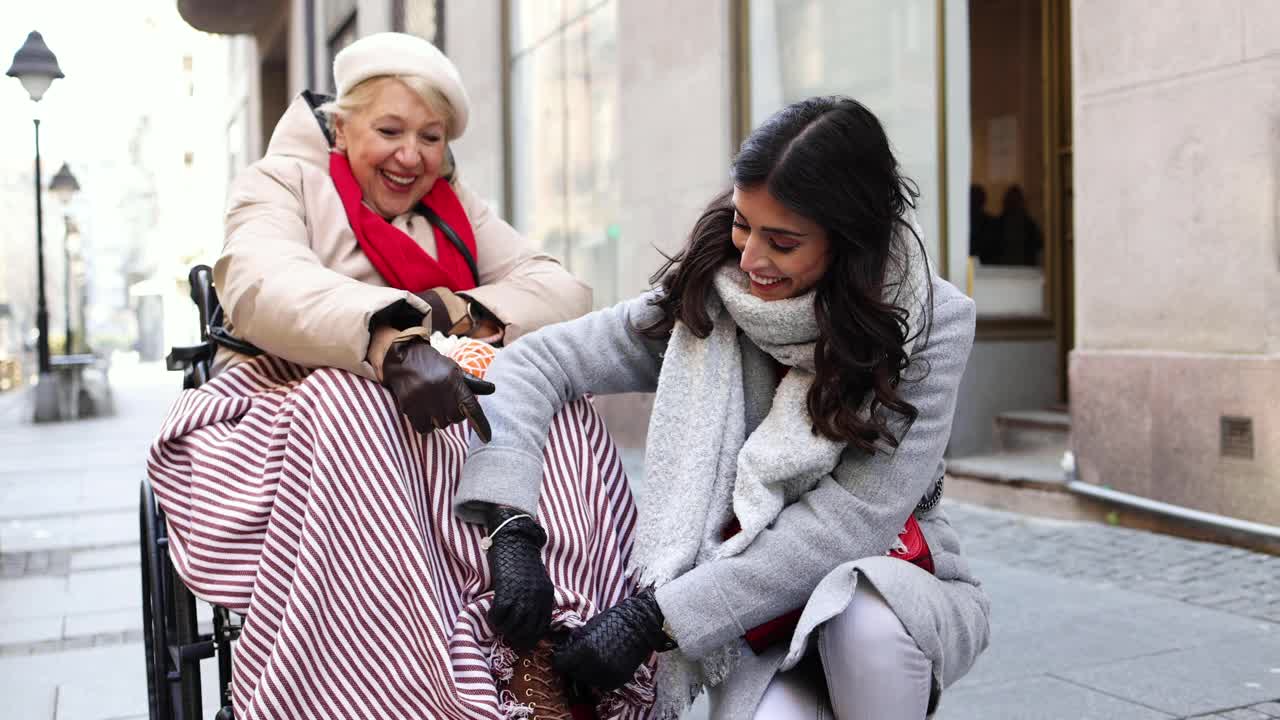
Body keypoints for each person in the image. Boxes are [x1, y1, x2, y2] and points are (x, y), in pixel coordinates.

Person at [148, 33, 653, 720]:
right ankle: (396, 683)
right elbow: (264, 281)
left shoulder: (453, 204)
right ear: (341, 123)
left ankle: (541, 645)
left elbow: (559, 288)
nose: (410, 155)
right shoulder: (280, 181)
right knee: (350, 403)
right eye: (389, 130)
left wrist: (453, 311)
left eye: (431, 136)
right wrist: (386, 339)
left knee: (551, 397)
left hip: (441, 407)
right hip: (295, 395)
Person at [454, 96, 991, 718]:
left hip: (882, 576)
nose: (751, 260)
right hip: (749, 616)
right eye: (743, 224)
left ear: (849, 243)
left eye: (783, 242)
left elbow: (854, 520)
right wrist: (511, 528)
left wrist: (656, 618)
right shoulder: (713, 293)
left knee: (862, 623)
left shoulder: (930, 321)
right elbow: (537, 362)